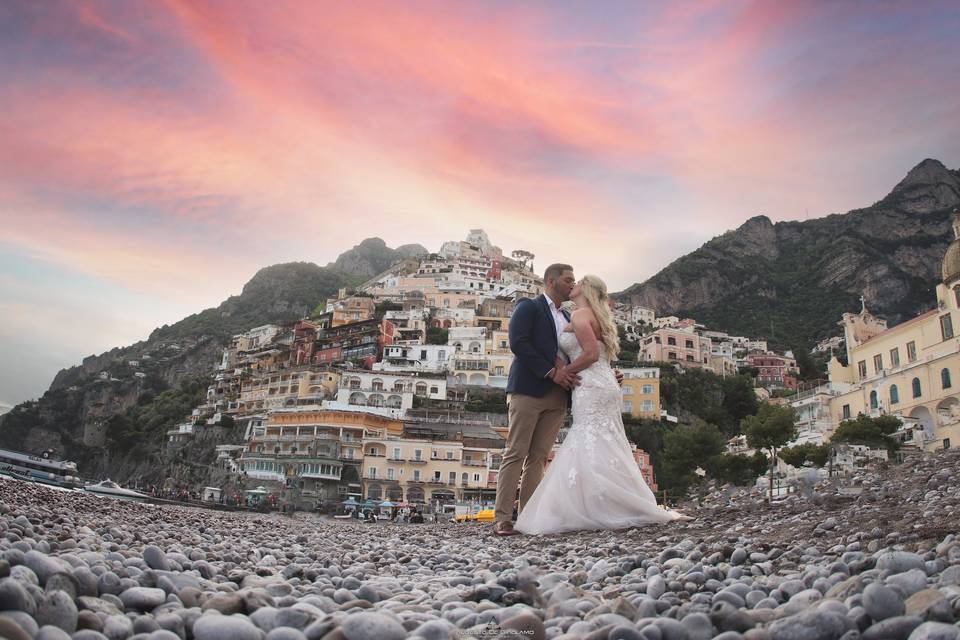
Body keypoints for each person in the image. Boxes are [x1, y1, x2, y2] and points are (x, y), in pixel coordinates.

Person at [514, 275, 689, 535]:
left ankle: (596, 506)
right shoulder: (595, 317)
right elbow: (599, 356)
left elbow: (591, 354)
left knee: (589, 437)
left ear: (587, 290)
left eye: (579, 281)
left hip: (591, 386)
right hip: (604, 382)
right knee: (605, 440)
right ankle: (611, 502)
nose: (574, 284)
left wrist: (566, 374)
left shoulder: (580, 315)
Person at [495, 264, 624, 536]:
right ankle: (503, 518)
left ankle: (529, 517)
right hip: (529, 388)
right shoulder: (528, 307)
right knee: (516, 452)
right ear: (551, 281)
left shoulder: (569, 315)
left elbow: (581, 352)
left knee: (539, 457)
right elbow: (519, 343)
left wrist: (606, 374)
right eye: (568, 280)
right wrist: (551, 372)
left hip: (560, 393)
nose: (572, 284)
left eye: (574, 280)